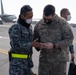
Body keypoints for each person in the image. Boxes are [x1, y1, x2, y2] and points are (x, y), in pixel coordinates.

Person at [33, 4, 74, 75]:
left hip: (59, 63)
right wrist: (39, 45)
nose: (46, 21)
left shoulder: (63, 23)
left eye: (49, 19)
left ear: (54, 14)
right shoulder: (39, 24)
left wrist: (55, 45)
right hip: (44, 62)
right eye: (44, 18)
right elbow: (35, 39)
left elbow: (69, 39)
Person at [8, 5, 39, 75]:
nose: (31, 19)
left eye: (32, 16)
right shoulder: (15, 28)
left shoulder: (29, 27)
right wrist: (31, 44)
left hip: (27, 64)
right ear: (22, 16)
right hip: (17, 66)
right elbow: (16, 45)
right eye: (29, 17)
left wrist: (37, 43)